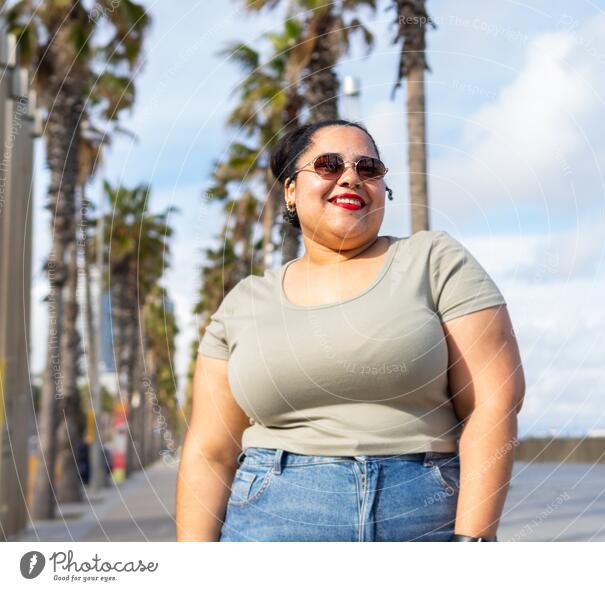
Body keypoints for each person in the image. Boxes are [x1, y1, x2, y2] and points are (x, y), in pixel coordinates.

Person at [175, 119, 525, 542]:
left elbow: (494, 400)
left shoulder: (434, 260)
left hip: (425, 522)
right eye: (327, 165)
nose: (351, 177)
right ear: (290, 190)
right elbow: (210, 452)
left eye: (369, 169)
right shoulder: (244, 302)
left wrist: (474, 540)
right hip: (272, 525)